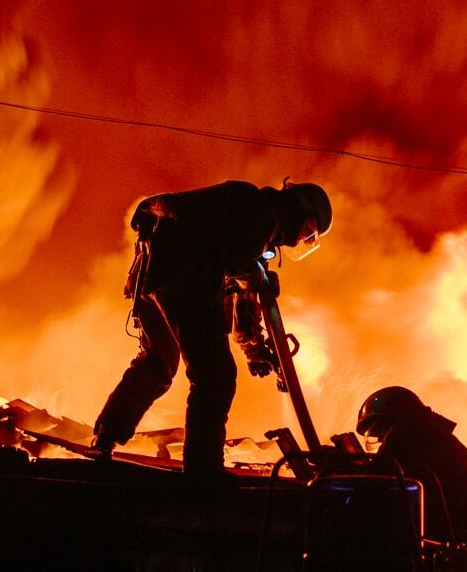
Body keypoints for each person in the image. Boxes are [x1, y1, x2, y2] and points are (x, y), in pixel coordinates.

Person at [92, 179, 332, 482]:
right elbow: (238, 262)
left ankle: (104, 439)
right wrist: (259, 278)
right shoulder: (256, 210)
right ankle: (203, 472)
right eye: (307, 230)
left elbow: (242, 305)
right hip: (183, 280)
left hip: (153, 279)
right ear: (297, 209)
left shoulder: (256, 237)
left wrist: (256, 352)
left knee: (158, 363)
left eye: (309, 238)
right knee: (214, 375)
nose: (299, 240)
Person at [356, 386, 467, 544]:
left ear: (392, 413)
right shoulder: (430, 429)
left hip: (441, 526)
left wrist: (351, 469)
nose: (381, 435)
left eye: (379, 428)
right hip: (460, 523)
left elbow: (377, 476)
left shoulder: (403, 430)